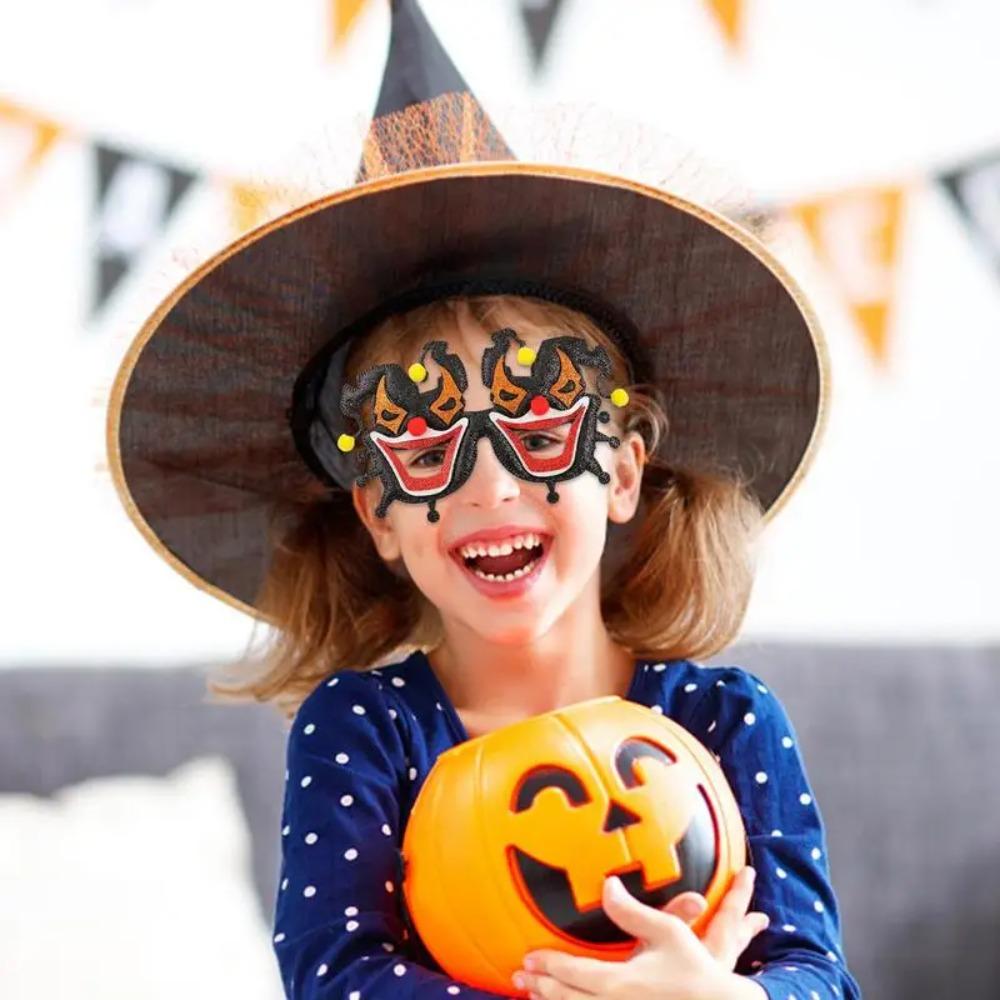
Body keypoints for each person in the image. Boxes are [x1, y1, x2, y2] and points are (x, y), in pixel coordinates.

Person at [104, 3, 863, 998]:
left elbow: (814, 969)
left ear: (624, 470)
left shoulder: (726, 720)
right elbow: (337, 975)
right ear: (376, 511)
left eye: (541, 433)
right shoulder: (365, 728)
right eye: (426, 450)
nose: (489, 484)